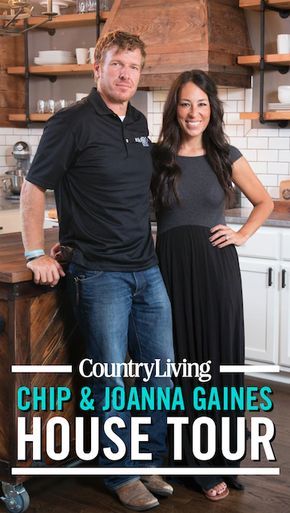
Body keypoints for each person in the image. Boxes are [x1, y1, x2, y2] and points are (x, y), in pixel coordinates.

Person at [20, 30, 174, 511]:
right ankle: (120, 473)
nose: (126, 74)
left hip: (146, 269)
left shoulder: (140, 121)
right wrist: (35, 252)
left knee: (160, 373)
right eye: (117, 65)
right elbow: (33, 189)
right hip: (99, 275)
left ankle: (147, 459)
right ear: (97, 68)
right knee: (110, 377)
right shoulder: (69, 123)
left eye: (134, 66)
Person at [151, 69, 273, 501]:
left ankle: (219, 460)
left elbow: (265, 201)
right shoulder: (158, 156)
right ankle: (189, 464)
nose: (194, 112)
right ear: (175, 108)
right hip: (170, 272)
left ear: (212, 110)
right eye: (186, 103)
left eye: (202, 104)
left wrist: (240, 235)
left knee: (218, 365)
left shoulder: (225, 154)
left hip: (217, 272)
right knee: (182, 365)